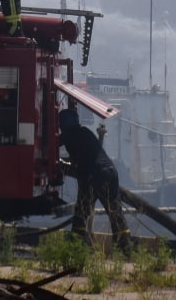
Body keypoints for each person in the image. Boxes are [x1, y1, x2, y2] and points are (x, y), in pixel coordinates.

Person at [58, 108, 133, 252]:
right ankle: (126, 249)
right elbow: (81, 157)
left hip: (94, 175)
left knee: (81, 213)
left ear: (63, 125)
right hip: (111, 173)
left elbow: (50, 145)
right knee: (116, 214)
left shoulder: (68, 135)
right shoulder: (85, 133)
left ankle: (79, 247)